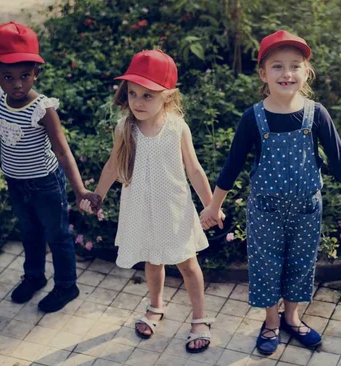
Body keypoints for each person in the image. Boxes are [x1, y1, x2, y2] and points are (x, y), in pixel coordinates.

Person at [199, 30, 341, 355]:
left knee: (301, 264)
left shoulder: (317, 114)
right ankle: (270, 322)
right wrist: (214, 207)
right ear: (263, 73)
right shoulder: (253, 118)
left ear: (306, 72)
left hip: (307, 210)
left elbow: (340, 163)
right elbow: (232, 166)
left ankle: (292, 318)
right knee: (266, 266)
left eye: (295, 65)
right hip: (265, 211)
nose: (287, 73)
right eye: (278, 66)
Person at [80, 49, 220, 353]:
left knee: (187, 263)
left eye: (147, 95)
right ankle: (155, 305)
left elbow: (194, 169)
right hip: (140, 209)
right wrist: (97, 196)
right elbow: (113, 166)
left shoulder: (176, 128)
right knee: (152, 261)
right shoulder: (125, 128)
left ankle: (200, 317)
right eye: (133, 94)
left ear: (167, 97)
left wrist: (211, 205)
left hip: (173, 209)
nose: (138, 102)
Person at [0, 22, 100, 312]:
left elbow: (62, 151)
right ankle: (34, 276)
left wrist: (79, 190)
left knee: (57, 234)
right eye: (8, 77)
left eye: (25, 76)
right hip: (16, 182)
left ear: (37, 73)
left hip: (45, 184)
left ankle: (66, 285)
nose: (17, 84)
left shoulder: (42, 109)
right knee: (29, 232)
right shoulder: (1, 99)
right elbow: (1, 122)